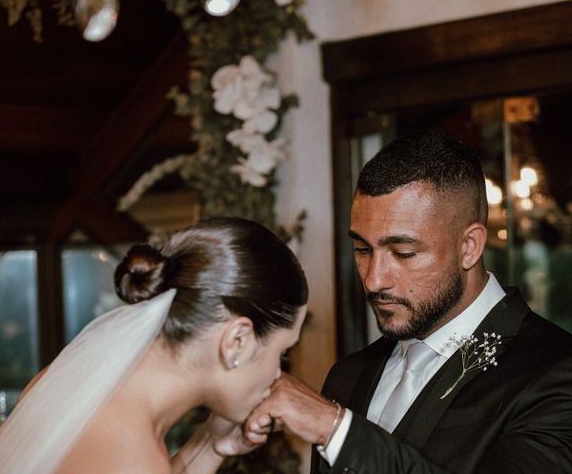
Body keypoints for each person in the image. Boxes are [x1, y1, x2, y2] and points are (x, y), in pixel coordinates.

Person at [243, 128, 572, 473]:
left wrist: (335, 429)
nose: (374, 280)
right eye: (362, 249)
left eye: (403, 252)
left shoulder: (556, 372)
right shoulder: (348, 375)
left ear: (470, 246)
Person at [0, 217, 308, 474]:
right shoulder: (129, 456)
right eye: (282, 353)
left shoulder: (77, 385)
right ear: (237, 341)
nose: (277, 376)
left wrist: (210, 444)